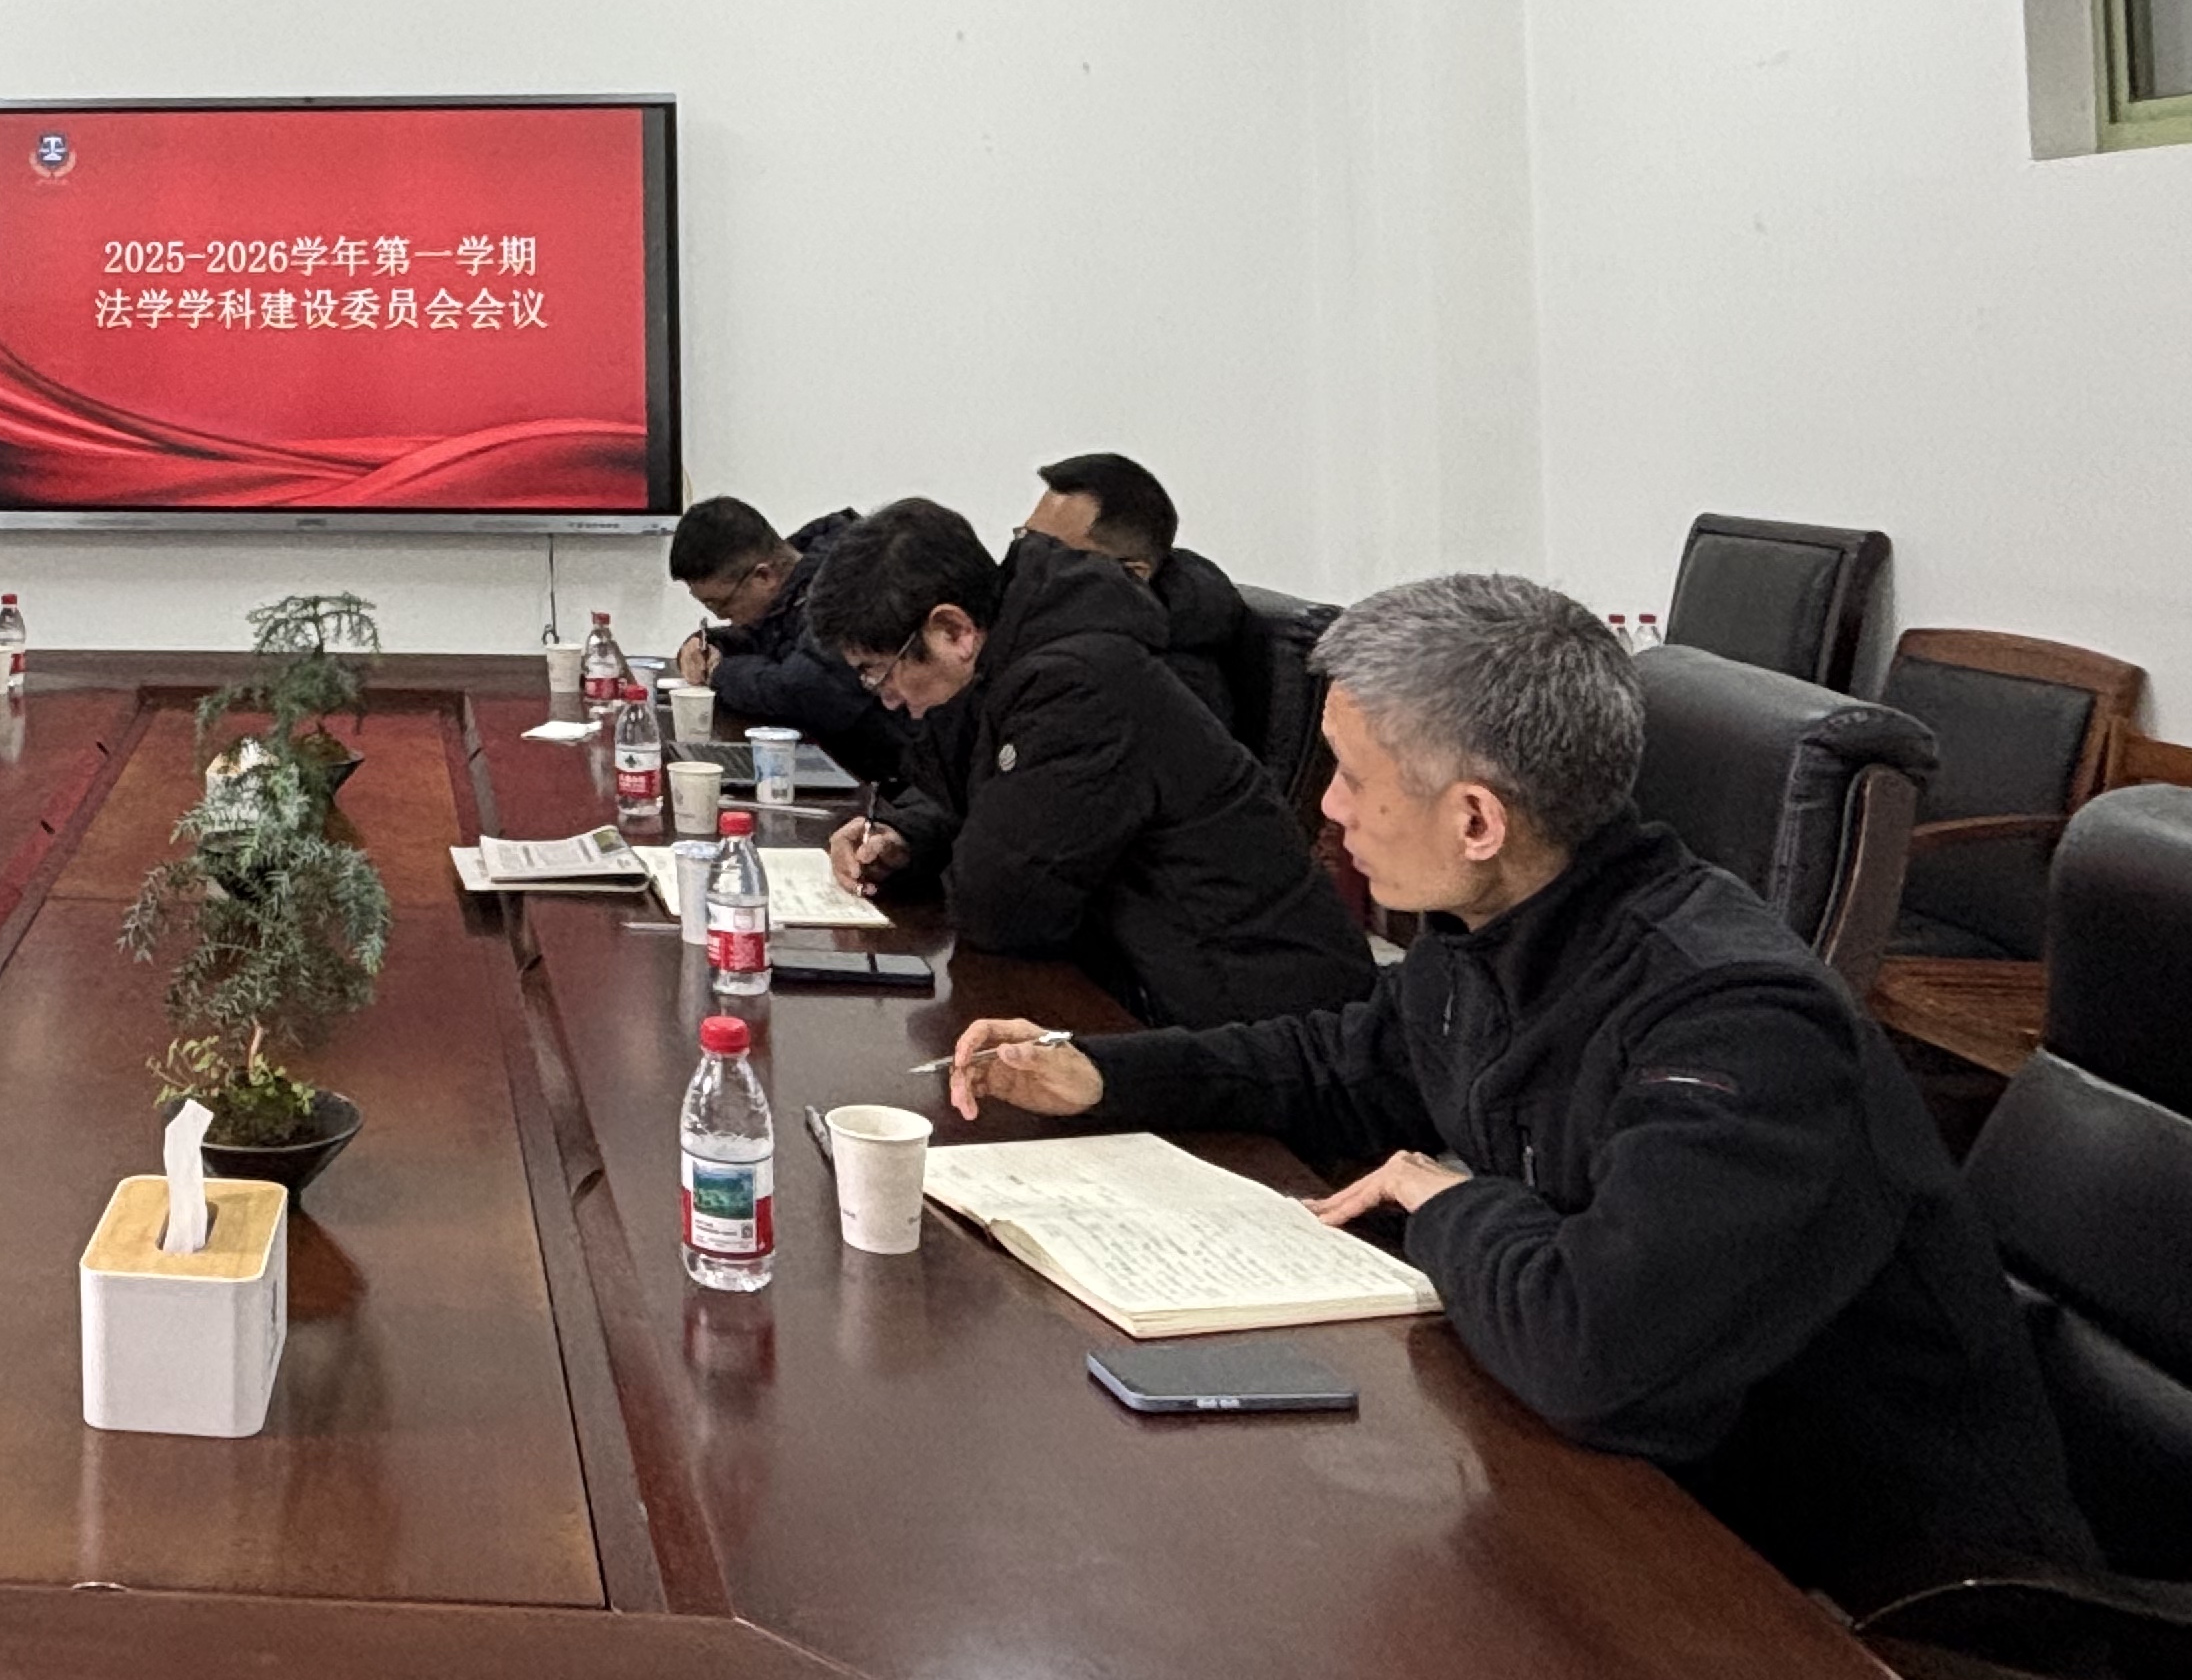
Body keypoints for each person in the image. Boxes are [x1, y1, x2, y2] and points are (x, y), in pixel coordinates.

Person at [944, 573, 2087, 1609]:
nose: (1327, 807)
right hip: (1643, 1501)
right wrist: (1105, 1072)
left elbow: (1593, 1352)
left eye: (1353, 776)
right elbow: (1346, 1062)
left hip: (1877, 1603)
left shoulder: (1737, 1020)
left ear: (1477, 819)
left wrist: (1445, 1202)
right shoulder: (1500, 924)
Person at [805, 497, 1373, 1025]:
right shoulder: (1021, 653)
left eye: (878, 671)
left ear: (953, 630)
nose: (885, 697)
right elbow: (998, 792)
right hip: (1159, 980)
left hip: (1251, 1009)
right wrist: (906, 835)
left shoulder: (1079, 684)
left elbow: (1001, 907)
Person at [663, 495, 897, 777]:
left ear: (763, 576)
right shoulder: (792, 582)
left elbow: (805, 689)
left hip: (878, 772)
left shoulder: (846, 591)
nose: (722, 617)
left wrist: (719, 672)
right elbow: (760, 639)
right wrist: (710, 643)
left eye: (721, 604)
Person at [1022, 450, 1252, 732]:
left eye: (1051, 552)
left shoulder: (1170, 690)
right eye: (1024, 539)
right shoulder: (1039, 632)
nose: (1025, 561)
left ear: (1132, 574)